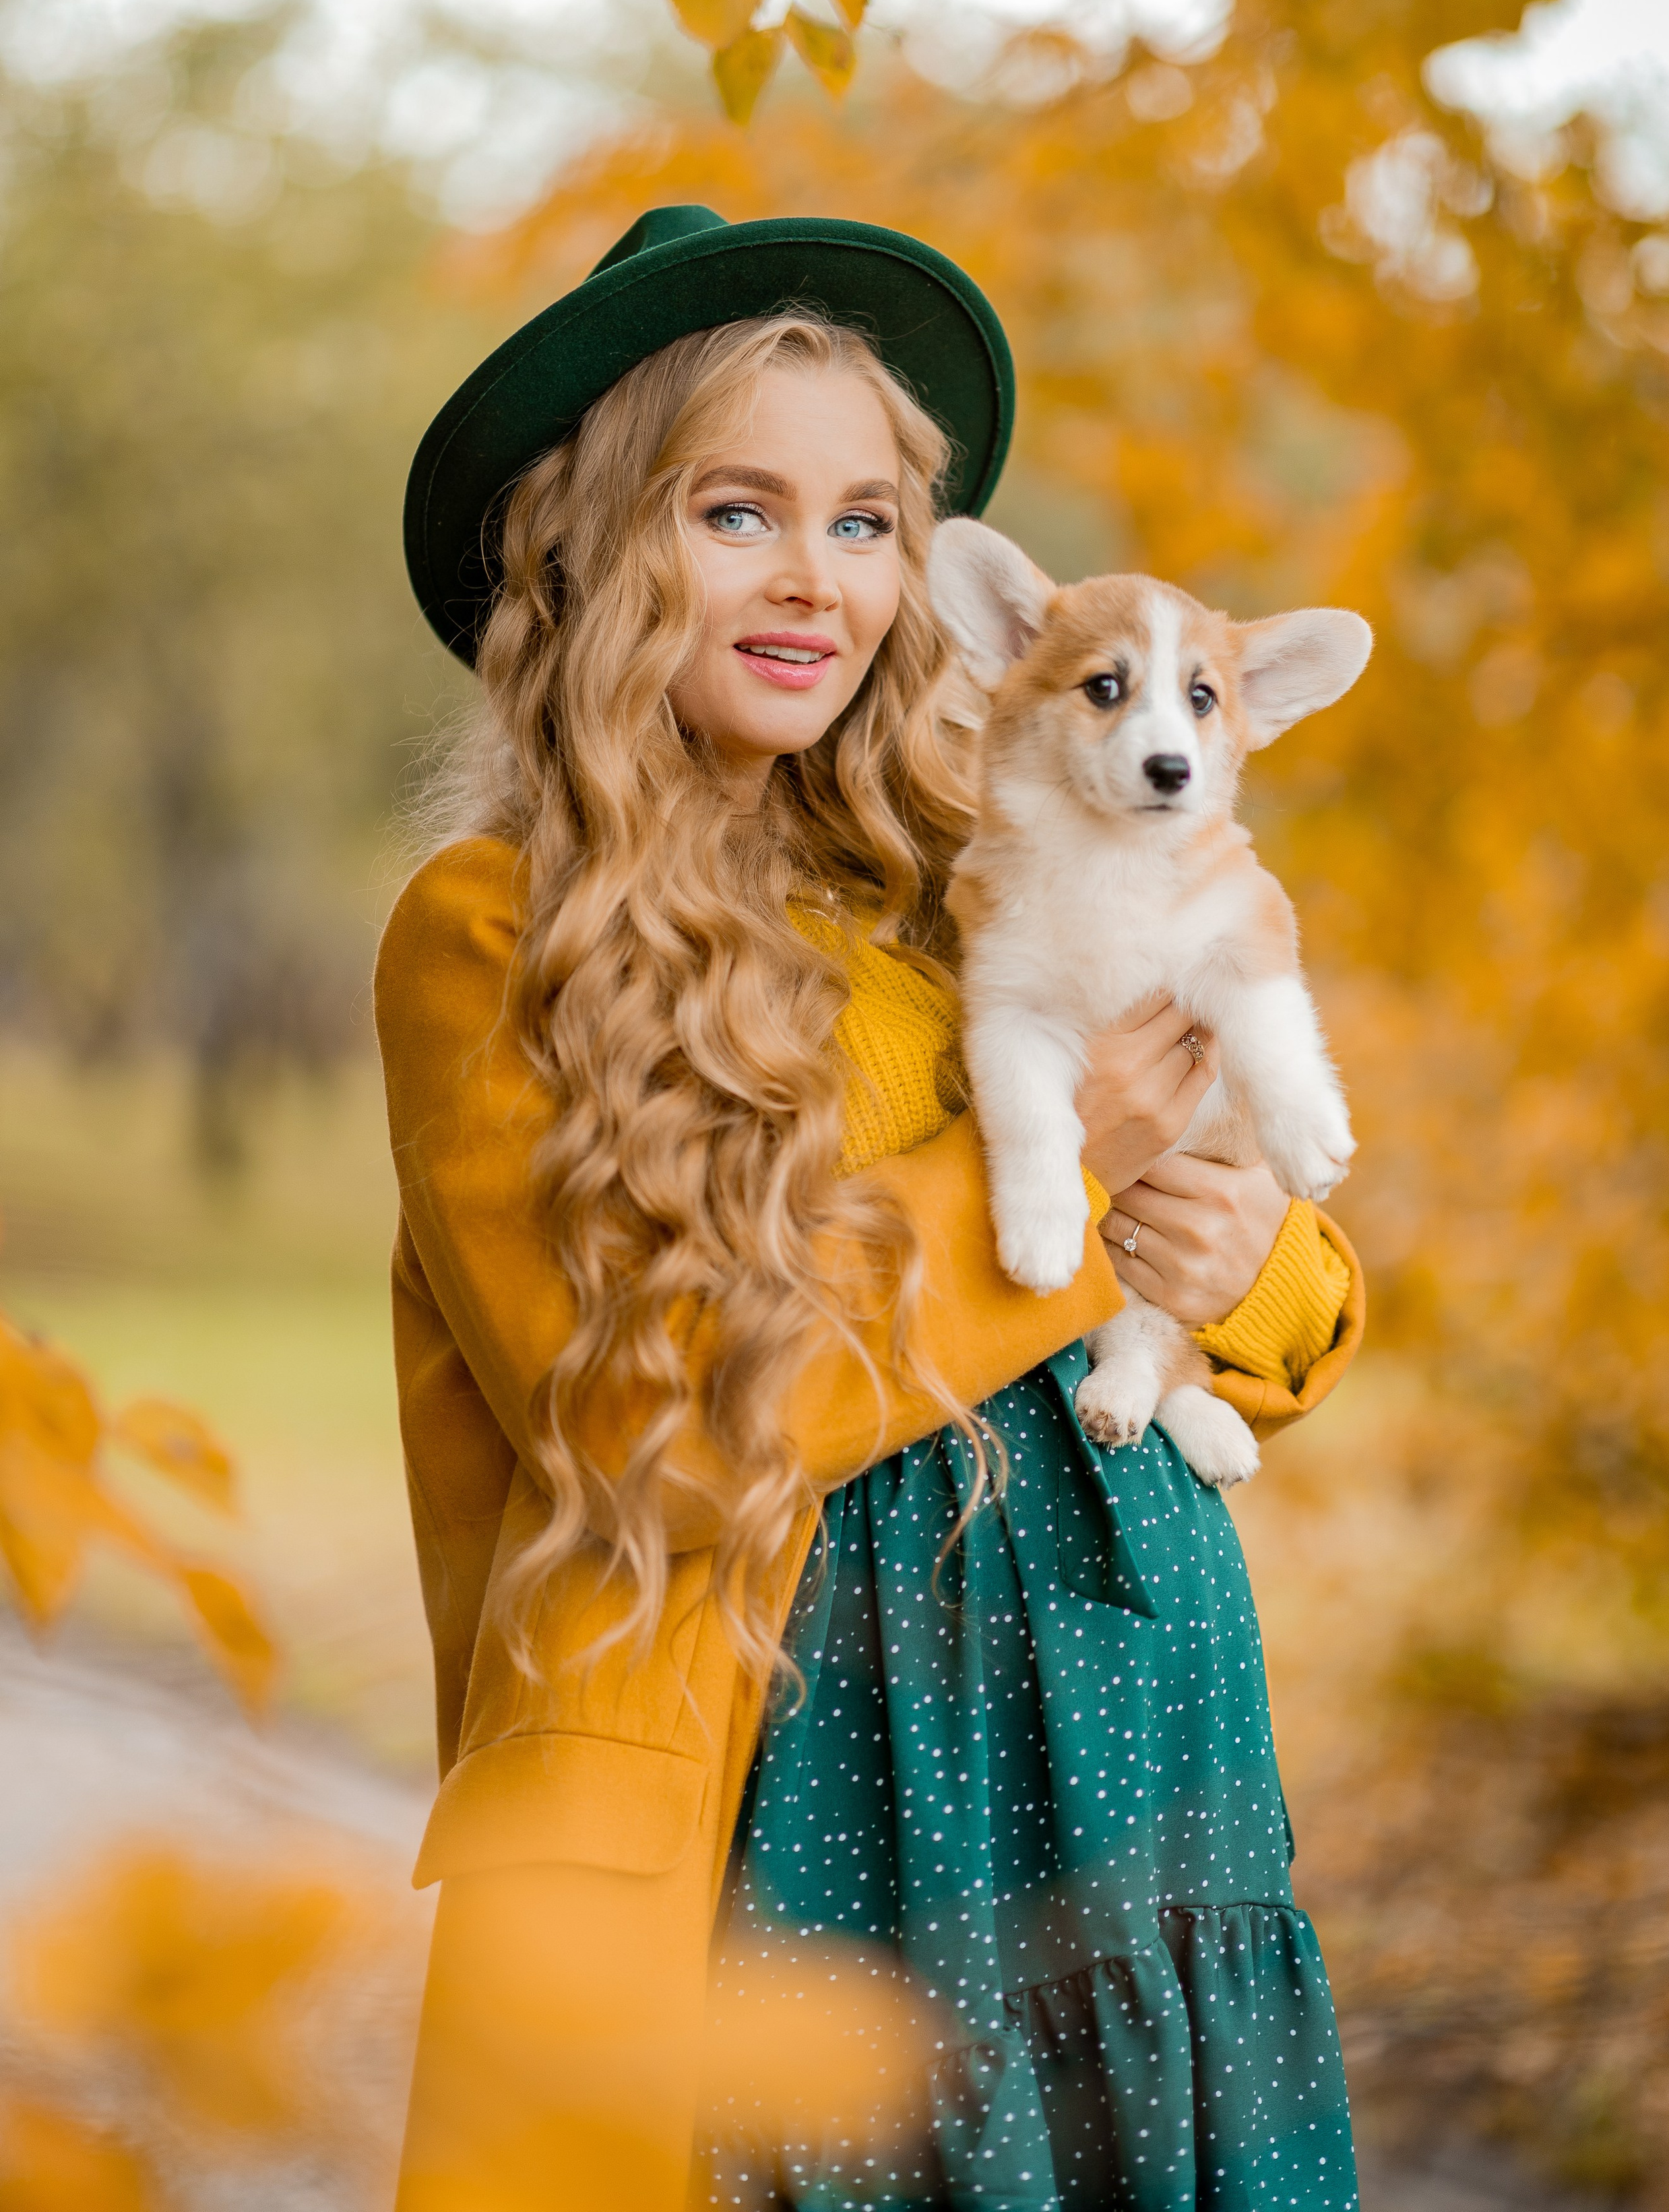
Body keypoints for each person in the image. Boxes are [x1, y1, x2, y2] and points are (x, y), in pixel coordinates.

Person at [375, 206, 1365, 2212]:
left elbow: (1279, 1270)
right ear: (583, 548)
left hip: (1114, 1751)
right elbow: (642, 1425)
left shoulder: (986, 866)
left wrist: (1256, 1268)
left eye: (866, 523)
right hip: (789, 1803)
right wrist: (1064, 1168)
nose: (815, 581)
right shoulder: (489, 937)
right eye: (736, 513)